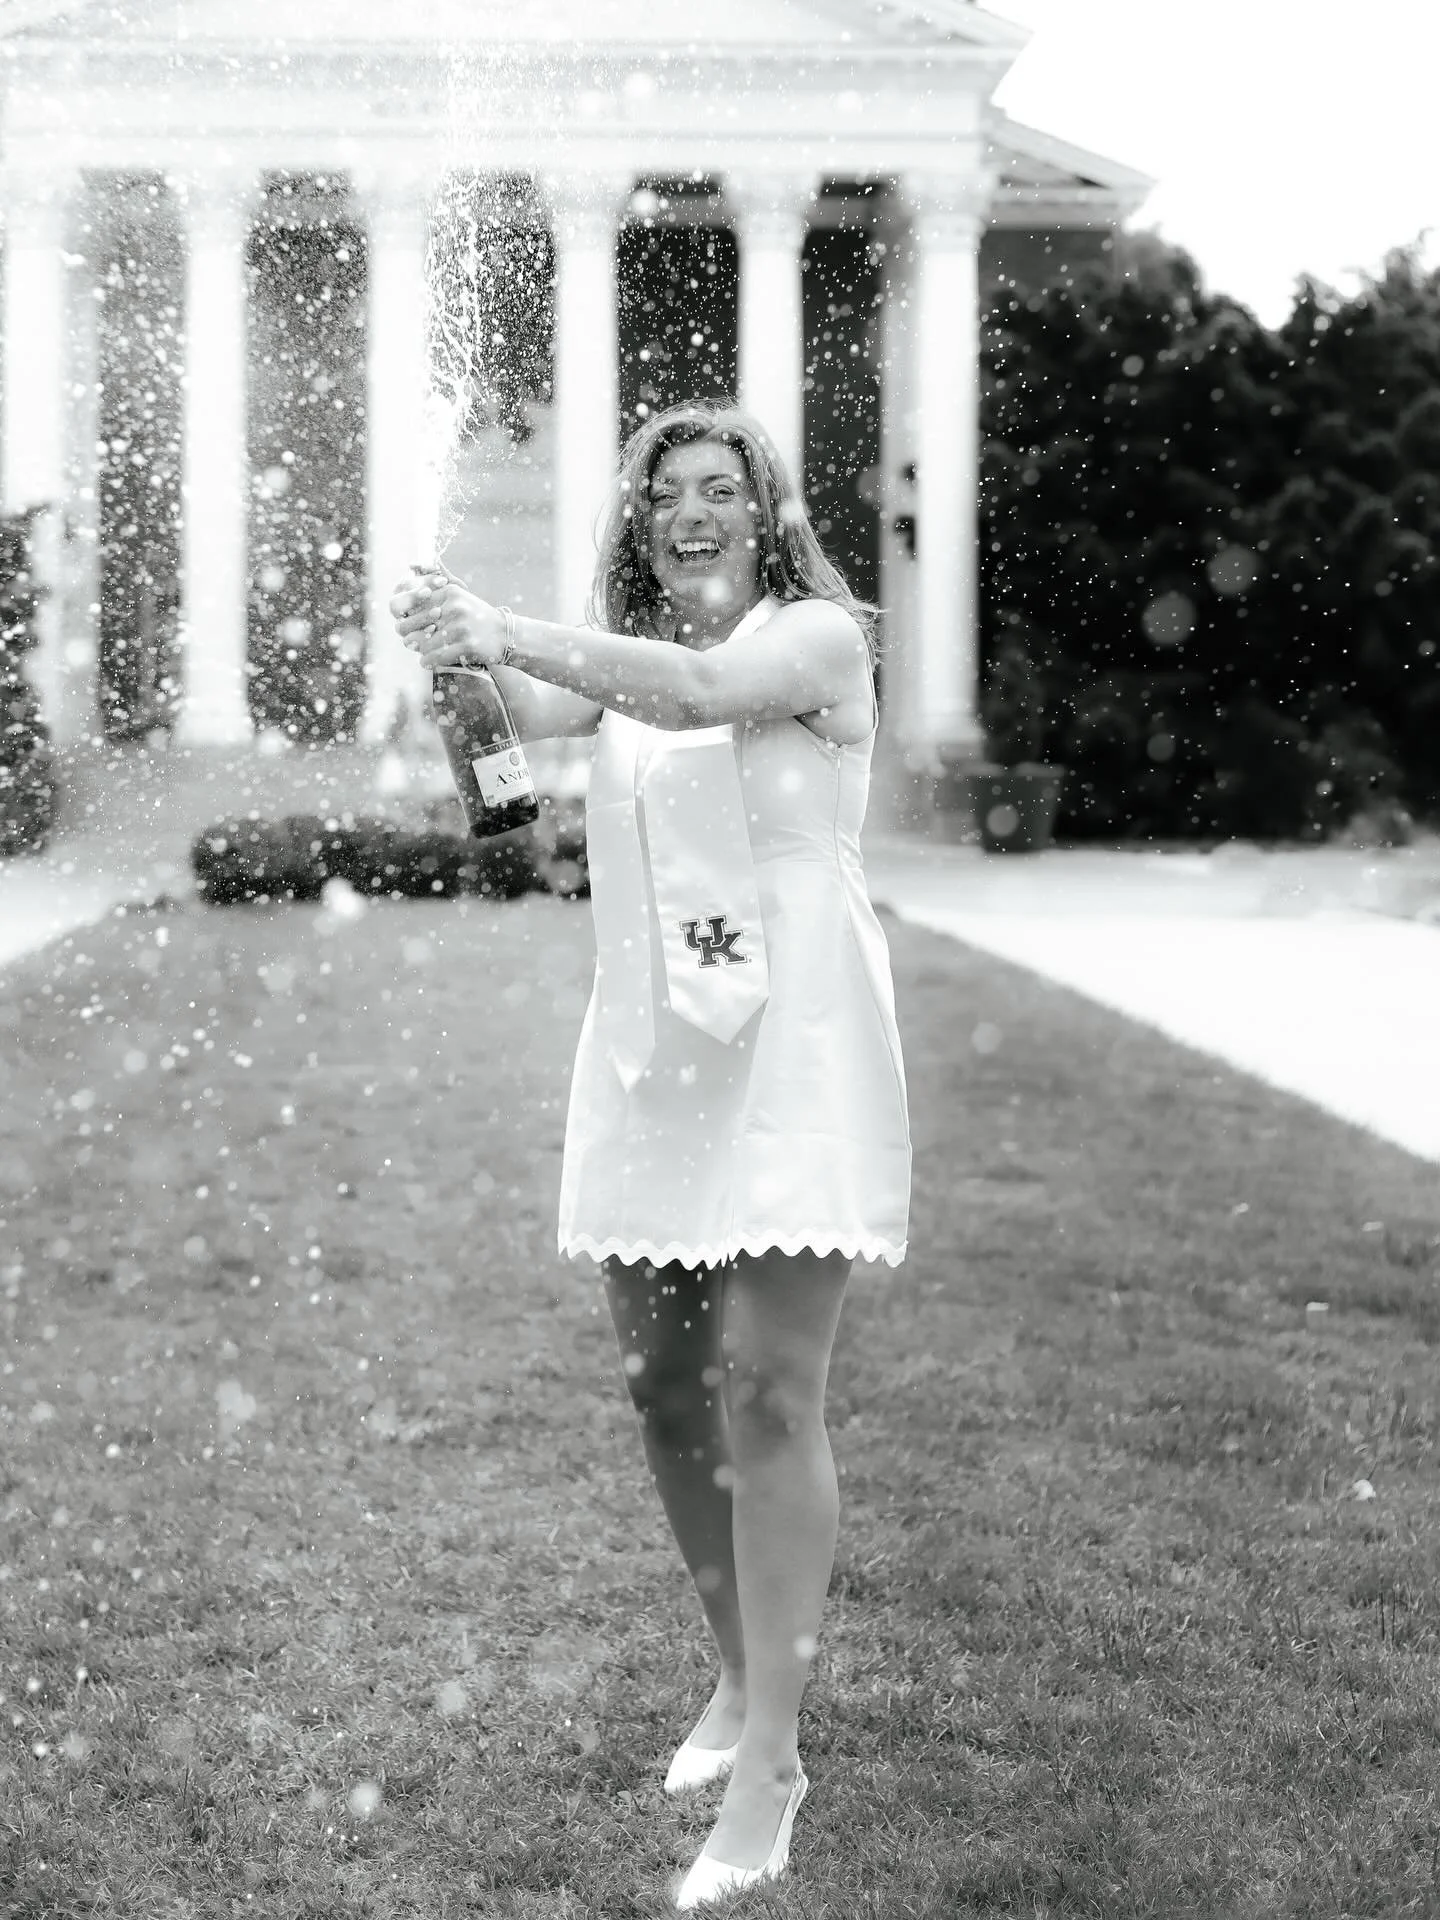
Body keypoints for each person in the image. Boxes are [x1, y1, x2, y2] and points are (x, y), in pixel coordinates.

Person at [390, 401, 911, 1909]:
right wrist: (452, 660)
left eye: (720, 489)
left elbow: (698, 692)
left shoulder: (813, 639)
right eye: (667, 491)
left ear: (766, 512)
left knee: (769, 1388)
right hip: (658, 1046)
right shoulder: (623, 670)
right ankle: (741, 1677)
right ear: (641, 520)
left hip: (797, 1043)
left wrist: (505, 625)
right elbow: (506, 745)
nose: (693, 512)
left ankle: (774, 1768)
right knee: (664, 1383)